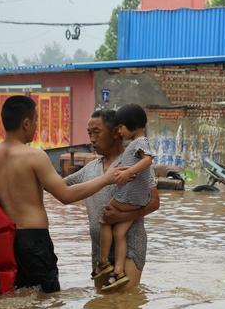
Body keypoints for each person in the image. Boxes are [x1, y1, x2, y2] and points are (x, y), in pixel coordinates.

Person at [0, 95, 120, 294]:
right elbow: (65, 195)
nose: (36, 126)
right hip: (33, 240)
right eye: (36, 121)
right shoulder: (35, 156)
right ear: (26, 123)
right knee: (47, 300)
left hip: (2, 240)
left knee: (11, 296)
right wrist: (106, 178)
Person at [65, 109, 159, 291]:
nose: (92, 139)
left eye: (96, 132)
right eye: (89, 134)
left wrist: (121, 217)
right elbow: (59, 187)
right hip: (100, 250)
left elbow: (154, 202)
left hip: (130, 244)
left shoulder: (134, 163)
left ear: (116, 132)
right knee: (102, 307)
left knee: (125, 305)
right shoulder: (89, 169)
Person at [92, 104, 154, 291]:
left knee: (104, 218)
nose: (118, 131)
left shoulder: (140, 142)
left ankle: (103, 262)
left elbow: (148, 159)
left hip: (129, 199)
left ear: (131, 125)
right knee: (119, 233)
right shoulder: (132, 146)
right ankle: (118, 272)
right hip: (135, 201)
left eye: (121, 127)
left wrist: (127, 174)